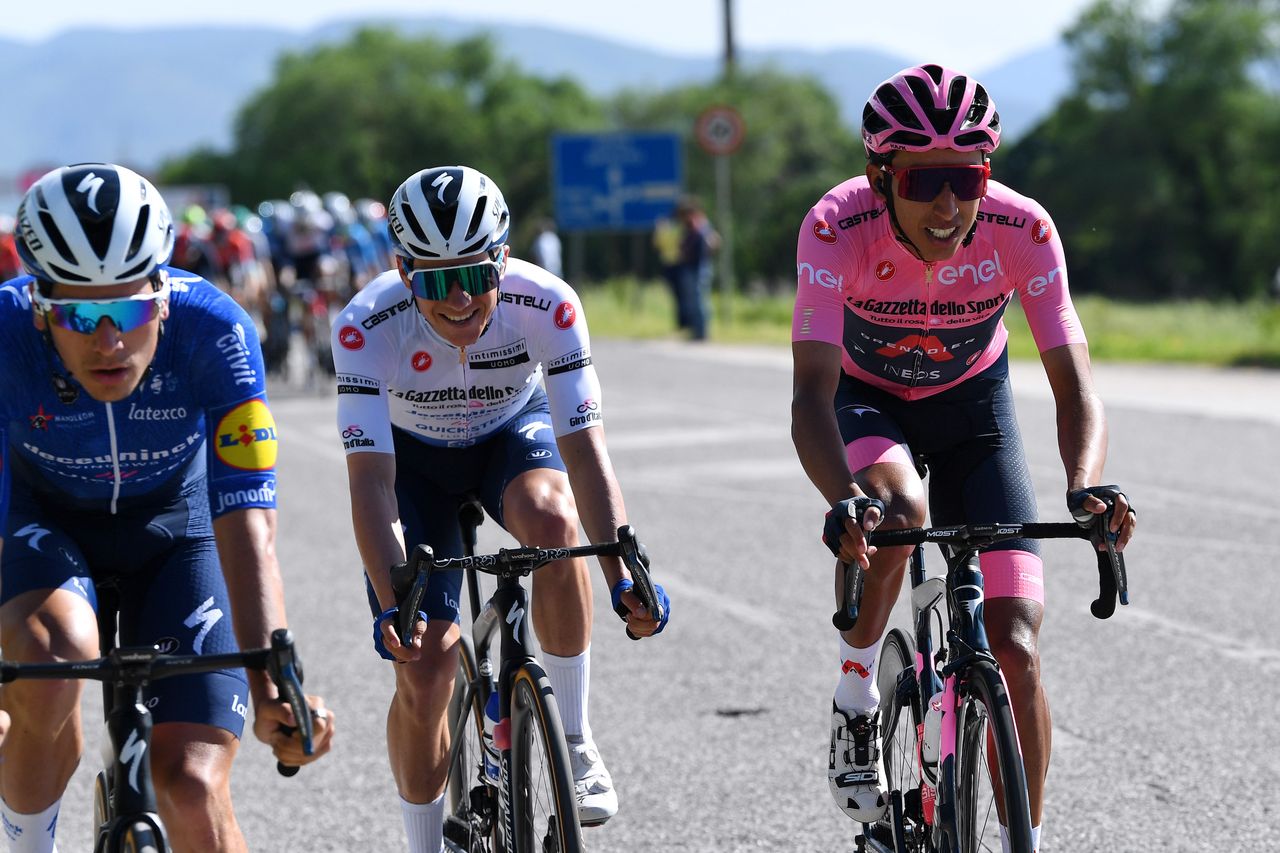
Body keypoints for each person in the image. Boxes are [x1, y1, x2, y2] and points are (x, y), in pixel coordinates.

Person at [791, 65, 1136, 851]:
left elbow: (1073, 380)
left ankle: (1028, 839)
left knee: (1013, 647)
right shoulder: (835, 226)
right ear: (882, 178)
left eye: (969, 177)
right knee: (901, 512)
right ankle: (856, 695)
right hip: (865, 399)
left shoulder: (1022, 228)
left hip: (977, 411)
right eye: (926, 181)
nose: (950, 205)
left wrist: (1084, 484)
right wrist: (843, 494)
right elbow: (810, 396)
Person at [331, 165, 669, 852]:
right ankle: (425, 840)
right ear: (402, 272)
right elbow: (370, 479)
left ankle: (571, 738)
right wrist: (392, 593)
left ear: (504, 260)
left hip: (509, 438)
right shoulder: (365, 325)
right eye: (433, 280)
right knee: (425, 665)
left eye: (477, 275)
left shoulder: (548, 304)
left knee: (553, 521)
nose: (458, 298)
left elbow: (584, 448)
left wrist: (621, 568)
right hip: (410, 464)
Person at [0, 163, 335, 853]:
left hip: (177, 531)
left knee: (189, 784)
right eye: (79, 316)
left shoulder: (214, 329)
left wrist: (276, 674)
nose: (109, 340)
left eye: (127, 310)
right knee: (52, 655)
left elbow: (246, 515)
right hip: (44, 521)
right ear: (39, 308)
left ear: (160, 295)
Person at [674, 196, 719, 341]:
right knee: (693, 301)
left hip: (699, 267)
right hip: (691, 267)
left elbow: (714, 242)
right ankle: (696, 332)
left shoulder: (701, 225)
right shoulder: (690, 227)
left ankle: (702, 333)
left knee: (699, 301)